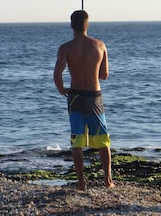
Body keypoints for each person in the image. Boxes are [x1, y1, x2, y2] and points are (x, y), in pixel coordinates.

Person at [53, 10, 114, 191]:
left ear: (71, 25)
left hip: (76, 96)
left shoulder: (65, 48)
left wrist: (61, 89)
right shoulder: (100, 45)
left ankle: (81, 183)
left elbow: (57, 74)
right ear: (87, 25)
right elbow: (104, 75)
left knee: (77, 140)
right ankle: (107, 180)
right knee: (102, 139)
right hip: (94, 96)